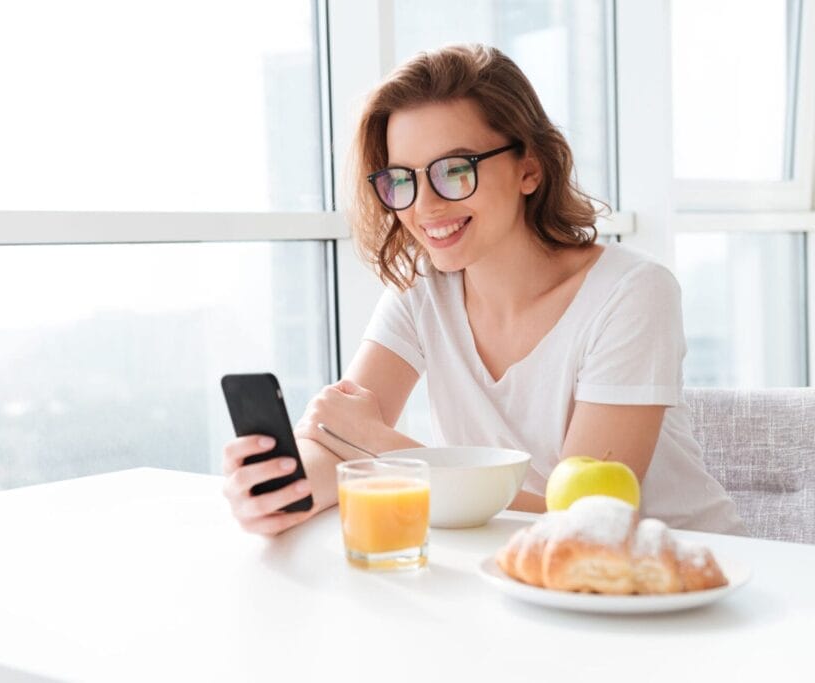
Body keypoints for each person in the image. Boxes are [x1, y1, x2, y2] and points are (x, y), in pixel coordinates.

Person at [221, 43, 746, 537]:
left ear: (530, 169)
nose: (424, 206)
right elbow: (337, 439)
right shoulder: (423, 293)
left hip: (679, 583)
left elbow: (586, 519)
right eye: (402, 179)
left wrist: (380, 448)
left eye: (454, 170)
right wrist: (280, 490)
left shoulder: (633, 294)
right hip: (520, 578)